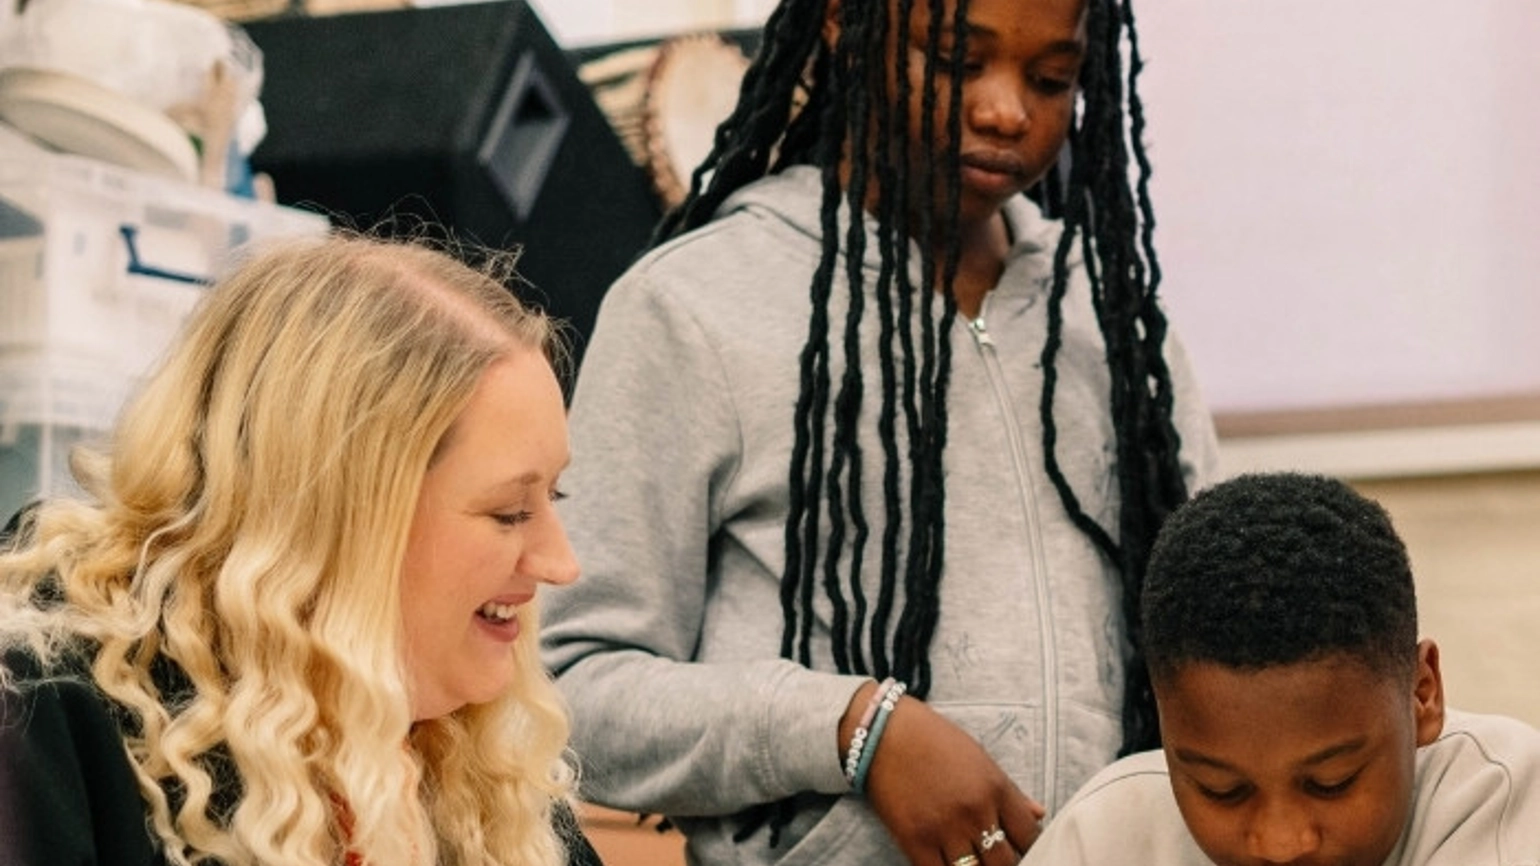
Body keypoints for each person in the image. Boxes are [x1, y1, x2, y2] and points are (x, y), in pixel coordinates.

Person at [539, 0, 1219, 864]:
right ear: (838, 24)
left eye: (1052, 78)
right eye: (955, 61)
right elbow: (569, 695)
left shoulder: (1116, 320)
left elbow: (1215, 643)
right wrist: (853, 728)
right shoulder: (692, 307)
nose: (1007, 109)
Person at [0, 234, 602, 866]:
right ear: (333, 516)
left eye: (552, 498)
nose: (560, 563)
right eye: (509, 513)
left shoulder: (483, 773)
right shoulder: (44, 720)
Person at [1020, 472, 1540, 866]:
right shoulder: (1106, 834)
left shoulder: (1501, 797)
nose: (1281, 844)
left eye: (1331, 782)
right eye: (1222, 790)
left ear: (1423, 692)